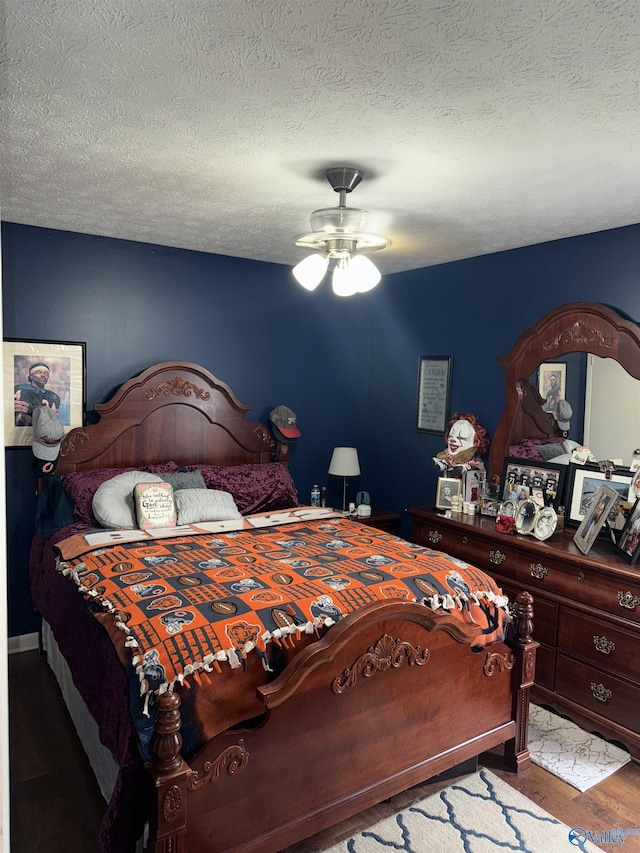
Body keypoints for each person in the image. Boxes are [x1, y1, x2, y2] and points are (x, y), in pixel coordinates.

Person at [14, 362, 61, 426]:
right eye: (39, 372)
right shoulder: (23, 390)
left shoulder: (53, 396)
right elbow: (22, 417)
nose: (43, 375)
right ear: (31, 376)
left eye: (46, 373)